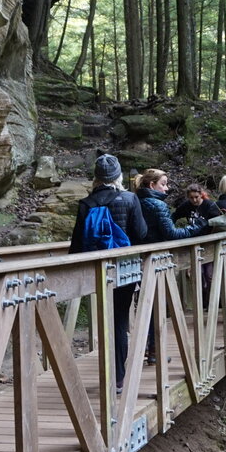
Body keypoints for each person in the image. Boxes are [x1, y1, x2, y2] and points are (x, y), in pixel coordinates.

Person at [70, 154, 148, 393]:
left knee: (105, 321)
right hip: (124, 271)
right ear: (118, 176)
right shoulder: (130, 199)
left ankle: (107, 372)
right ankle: (118, 378)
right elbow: (141, 234)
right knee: (120, 319)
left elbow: (76, 245)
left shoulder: (87, 204)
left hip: (96, 272)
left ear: (96, 177)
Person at [136, 169, 203, 363]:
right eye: (164, 184)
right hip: (156, 262)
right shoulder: (158, 205)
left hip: (136, 260)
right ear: (152, 185)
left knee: (144, 308)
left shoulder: (134, 201)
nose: (167, 188)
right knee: (156, 307)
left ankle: (145, 351)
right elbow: (172, 235)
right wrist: (196, 227)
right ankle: (154, 352)